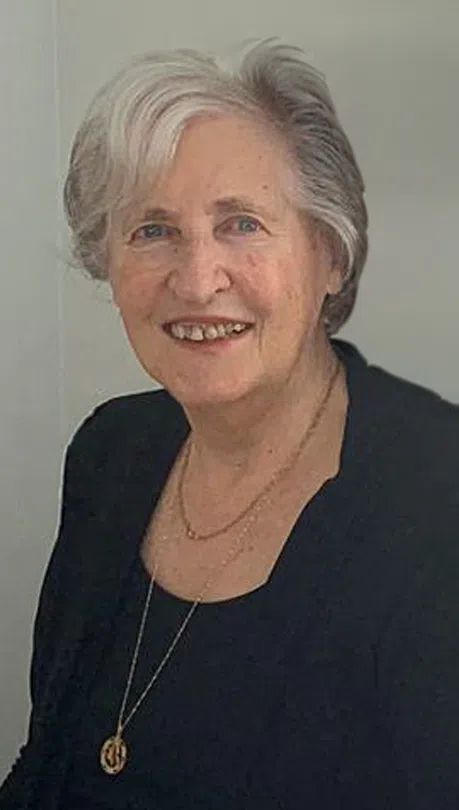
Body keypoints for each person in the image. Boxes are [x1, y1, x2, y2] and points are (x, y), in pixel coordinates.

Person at [1, 38, 459, 810]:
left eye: (241, 223)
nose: (196, 279)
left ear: (329, 255)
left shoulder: (436, 505)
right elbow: (49, 761)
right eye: (152, 230)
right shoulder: (111, 452)